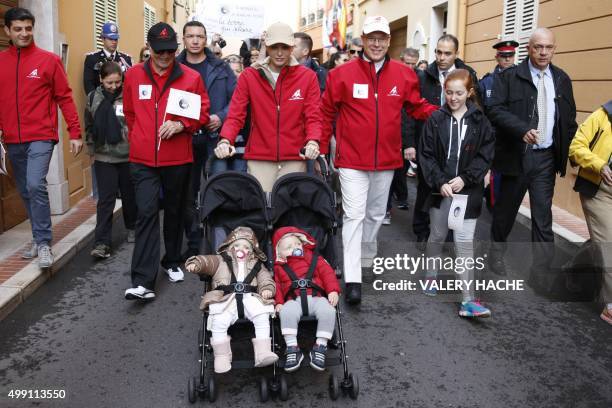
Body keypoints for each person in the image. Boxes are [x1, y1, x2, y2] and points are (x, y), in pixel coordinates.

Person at [321, 15, 438, 304]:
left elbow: (416, 106)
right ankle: (352, 277)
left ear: (389, 41)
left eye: (382, 38)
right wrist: (322, 149)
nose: (376, 43)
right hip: (351, 161)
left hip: (386, 161)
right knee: (354, 215)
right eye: (371, 37)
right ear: (362, 39)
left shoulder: (404, 74)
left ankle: (366, 255)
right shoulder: (341, 74)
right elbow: (325, 113)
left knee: (375, 215)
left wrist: (444, 114)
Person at [122, 22, 210, 301]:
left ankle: (172, 259)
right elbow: (130, 112)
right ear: (149, 48)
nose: (164, 57)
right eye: (159, 51)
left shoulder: (190, 77)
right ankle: (143, 281)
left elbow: (203, 114)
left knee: (174, 211)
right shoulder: (134, 75)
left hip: (178, 158)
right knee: (146, 213)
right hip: (142, 159)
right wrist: (140, 137)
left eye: (170, 51)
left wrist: (181, 125)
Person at [487, 28, 577, 293]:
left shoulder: (561, 79)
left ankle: (541, 273)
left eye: (548, 47)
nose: (543, 52)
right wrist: (520, 130)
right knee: (505, 211)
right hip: (516, 156)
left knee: (542, 215)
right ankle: (496, 250)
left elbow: (568, 121)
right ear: (529, 48)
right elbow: (494, 110)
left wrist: (568, 153)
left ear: (554, 49)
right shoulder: (510, 76)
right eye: (538, 47)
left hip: (546, 159)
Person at [0, 7, 83, 269]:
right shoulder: (1, 62)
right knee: (25, 190)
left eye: (28, 28)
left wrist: (75, 132)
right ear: (7, 31)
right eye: (18, 29)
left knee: (36, 185)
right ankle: (37, 238)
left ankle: (45, 242)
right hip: (12, 139)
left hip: (41, 137)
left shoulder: (48, 60)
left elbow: (65, 97)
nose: (24, 33)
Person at [418, 69, 495, 317]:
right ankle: (430, 275)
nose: (453, 98)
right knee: (437, 235)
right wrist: (440, 181)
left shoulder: (480, 122)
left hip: (467, 192)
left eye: (459, 93)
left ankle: (468, 300)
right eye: (449, 92)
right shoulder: (435, 119)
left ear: (469, 93)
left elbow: (485, 156)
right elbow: (426, 155)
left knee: (464, 243)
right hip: (440, 191)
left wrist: (465, 179)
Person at [214, 22, 322, 192]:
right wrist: (226, 139)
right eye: (274, 47)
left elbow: (313, 116)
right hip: (259, 157)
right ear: (267, 46)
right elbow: (236, 114)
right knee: (262, 211)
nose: (279, 53)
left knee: (289, 212)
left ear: (292, 47)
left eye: (284, 47)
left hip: (295, 156)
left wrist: (313, 141)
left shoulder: (307, 77)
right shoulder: (250, 75)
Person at [176, 21, 238, 259]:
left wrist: (221, 117)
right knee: (187, 194)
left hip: (215, 138)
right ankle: (193, 244)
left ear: (205, 39)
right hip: (185, 138)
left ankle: (218, 242)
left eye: (199, 36)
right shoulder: (175, 67)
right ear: (183, 38)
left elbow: (237, 100)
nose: (194, 40)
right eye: (190, 36)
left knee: (218, 190)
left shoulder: (221, 67)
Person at [413, 34, 480, 250]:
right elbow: (410, 110)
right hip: (430, 143)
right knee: (427, 189)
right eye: (438, 52)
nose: (441, 57)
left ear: (456, 54)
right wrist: (409, 144)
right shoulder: (423, 76)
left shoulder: (469, 75)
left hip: (460, 146)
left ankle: (449, 237)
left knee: (455, 191)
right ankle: (423, 232)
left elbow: (479, 112)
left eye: (447, 53)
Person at [185, 227, 278, 373]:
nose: (241, 249)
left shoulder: (257, 264)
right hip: (226, 299)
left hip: (251, 298)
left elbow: (266, 279)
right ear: (229, 247)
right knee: (219, 321)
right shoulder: (220, 260)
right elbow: (207, 261)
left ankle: (263, 352)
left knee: (262, 316)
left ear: (252, 250)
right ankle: (222, 356)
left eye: (247, 247)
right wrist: (197, 264)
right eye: (237, 245)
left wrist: (267, 289)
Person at [84, 61, 137, 259]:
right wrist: (91, 152)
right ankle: (102, 243)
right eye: (109, 83)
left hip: (128, 156)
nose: (114, 87)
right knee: (105, 201)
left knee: (130, 197)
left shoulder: (128, 97)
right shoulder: (93, 98)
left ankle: (132, 228)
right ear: (101, 80)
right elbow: (88, 126)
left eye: (117, 82)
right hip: (103, 157)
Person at [568, 100, 612, 324]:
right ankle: (610, 307)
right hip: (599, 190)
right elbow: (576, 148)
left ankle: (574, 272)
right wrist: (600, 165)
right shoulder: (601, 116)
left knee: (602, 240)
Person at [273, 227, 340, 372]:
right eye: (289, 247)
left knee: (328, 311)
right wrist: (278, 302)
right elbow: (276, 286)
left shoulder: (314, 258)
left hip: (317, 297)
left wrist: (333, 290)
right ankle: (292, 347)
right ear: (279, 253)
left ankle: (320, 346)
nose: (295, 248)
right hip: (293, 299)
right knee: (286, 312)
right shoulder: (279, 267)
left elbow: (327, 274)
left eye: (297, 244)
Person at [479, 40, 519, 212]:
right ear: (497, 57)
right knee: (494, 174)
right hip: (493, 135)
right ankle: (493, 205)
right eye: (504, 56)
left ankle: (503, 206)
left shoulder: (523, 80)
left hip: (515, 136)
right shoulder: (487, 82)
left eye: (510, 55)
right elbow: (480, 110)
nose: (507, 59)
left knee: (511, 177)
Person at [83, 22, 132, 95]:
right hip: (100, 102)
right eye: (110, 39)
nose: (114, 42)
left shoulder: (125, 59)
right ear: (102, 39)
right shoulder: (92, 59)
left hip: (121, 102)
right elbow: (89, 85)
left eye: (116, 39)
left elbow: (129, 84)